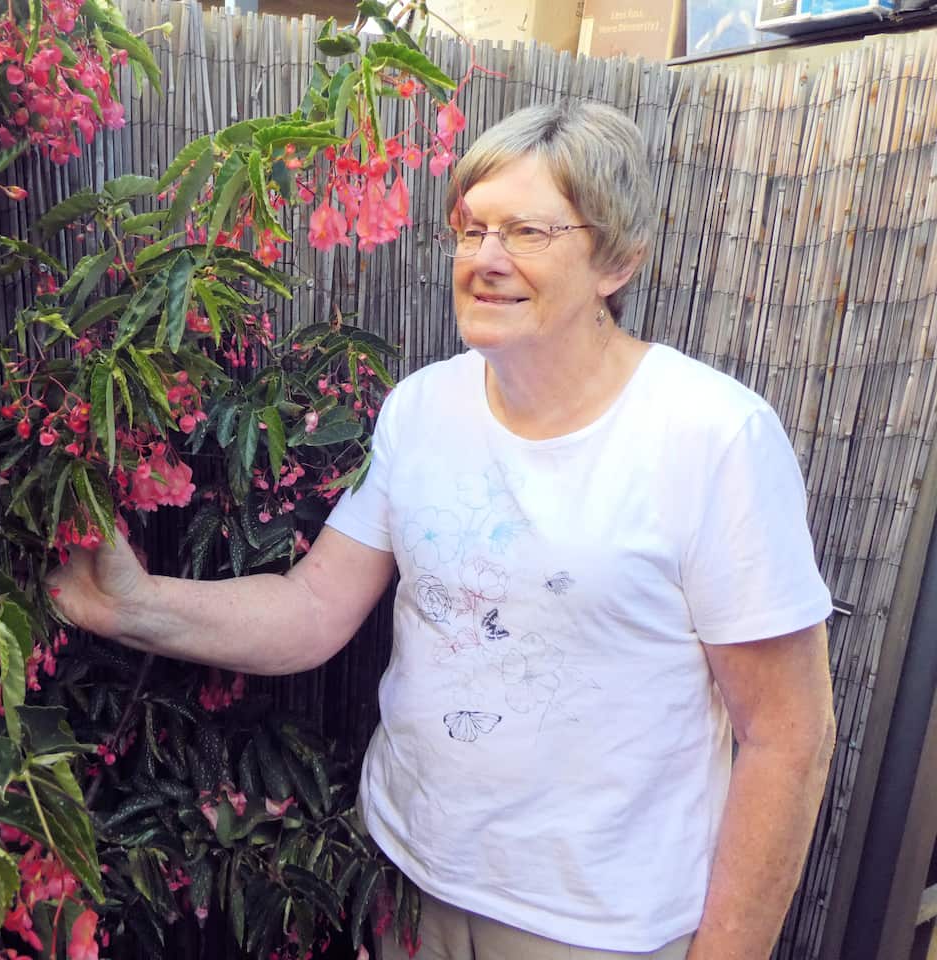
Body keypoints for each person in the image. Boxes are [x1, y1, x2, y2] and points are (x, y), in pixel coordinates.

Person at [48, 100, 836, 960]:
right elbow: (313, 610)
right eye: (472, 229)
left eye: (528, 231)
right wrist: (134, 604)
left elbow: (786, 739)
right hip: (404, 879)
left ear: (617, 259)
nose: (487, 260)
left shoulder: (714, 437)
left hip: (593, 928)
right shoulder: (425, 407)